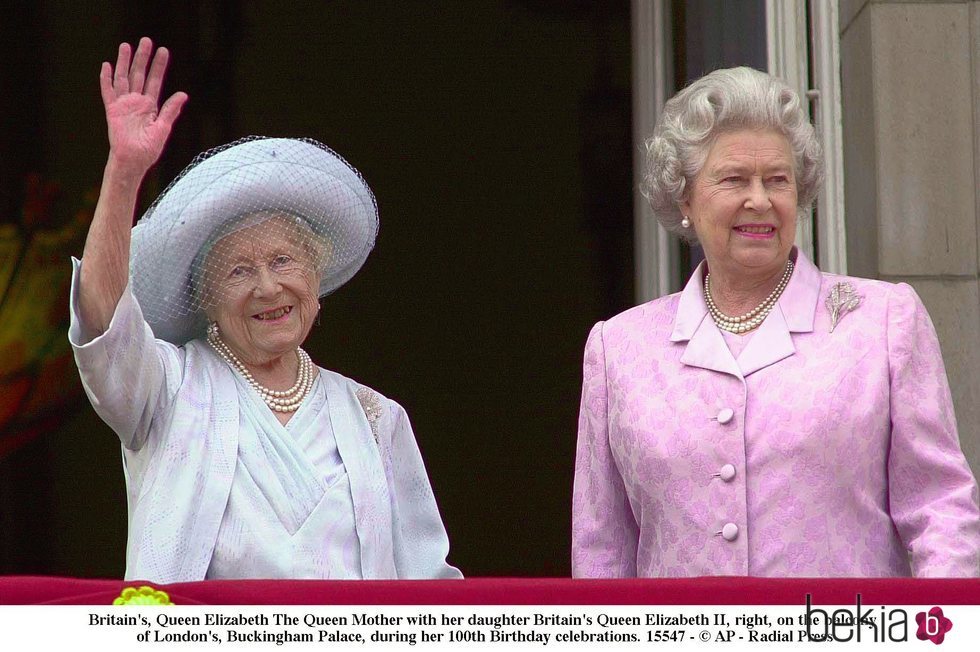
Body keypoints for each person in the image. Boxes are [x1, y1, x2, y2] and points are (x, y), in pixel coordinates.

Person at [70, 38, 461, 582]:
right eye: (238, 271)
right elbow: (103, 320)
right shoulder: (167, 389)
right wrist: (125, 172)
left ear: (315, 281)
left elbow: (429, 592)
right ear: (205, 297)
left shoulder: (377, 419)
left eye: (284, 261)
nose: (267, 287)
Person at [572, 66, 980, 578]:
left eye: (777, 180)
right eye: (734, 179)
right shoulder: (619, 349)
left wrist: (941, 630)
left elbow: (939, 510)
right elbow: (601, 551)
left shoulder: (882, 322)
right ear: (685, 199)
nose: (760, 200)